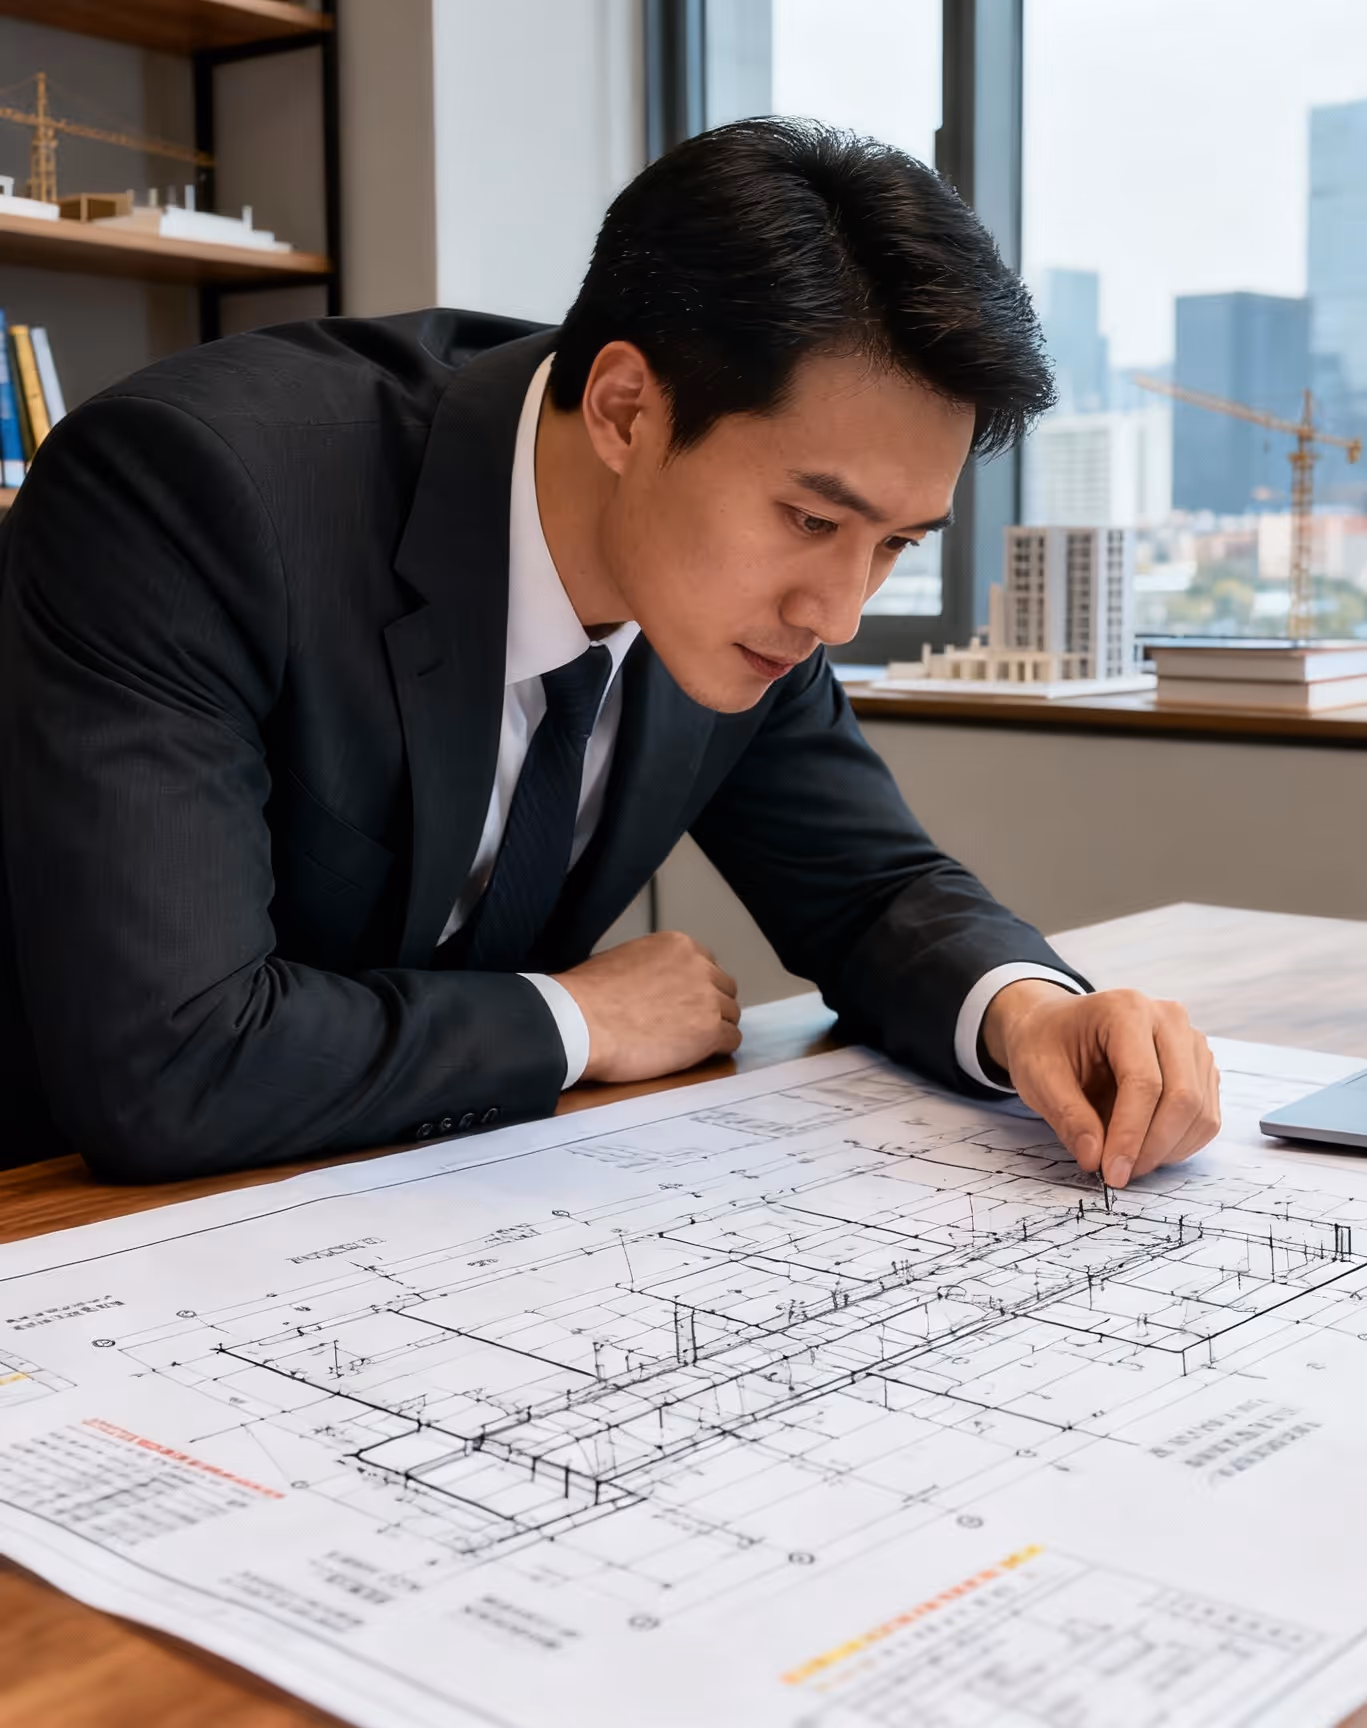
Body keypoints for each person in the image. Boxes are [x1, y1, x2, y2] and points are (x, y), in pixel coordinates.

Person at [0, 119, 1219, 1185]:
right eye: (809, 520)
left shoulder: (737, 607)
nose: (837, 613)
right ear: (627, 410)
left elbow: (869, 888)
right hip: (70, 1220)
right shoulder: (195, 495)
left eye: (893, 542)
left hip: (430, 1209)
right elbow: (166, 1061)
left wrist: (1026, 1013)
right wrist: (572, 1021)